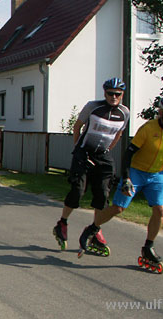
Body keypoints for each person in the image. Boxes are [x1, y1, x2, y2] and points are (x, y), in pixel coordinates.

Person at [79, 94, 163, 271]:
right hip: (137, 172)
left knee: (160, 210)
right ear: (161, 112)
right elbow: (128, 154)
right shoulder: (148, 129)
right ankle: (92, 228)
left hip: (157, 175)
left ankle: (148, 247)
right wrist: (126, 178)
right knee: (118, 208)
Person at [53, 78, 130, 253]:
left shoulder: (124, 112)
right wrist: (78, 149)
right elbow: (77, 127)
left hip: (103, 155)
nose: (114, 97)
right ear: (105, 93)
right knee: (77, 190)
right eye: (110, 93)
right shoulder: (93, 107)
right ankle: (62, 223)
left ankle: (96, 229)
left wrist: (108, 149)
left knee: (102, 194)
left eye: (117, 94)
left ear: (122, 95)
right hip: (84, 151)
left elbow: (119, 133)